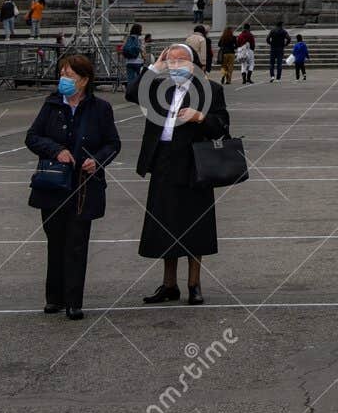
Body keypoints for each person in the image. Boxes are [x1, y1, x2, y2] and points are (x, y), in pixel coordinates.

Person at [128, 41, 230, 306]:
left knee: (195, 227)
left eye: (181, 61)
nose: (175, 66)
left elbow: (221, 127)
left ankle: (194, 284)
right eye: (171, 61)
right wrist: (154, 67)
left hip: (194, 165)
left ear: (194, 64)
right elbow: (131, 93)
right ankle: (169, 284)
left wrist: (200, 118)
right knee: (165, 226)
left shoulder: (210, 90)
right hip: (163, 162)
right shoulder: (159, 87)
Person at [25, 52, 121, 319]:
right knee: (55, 241)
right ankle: (53, 297)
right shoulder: (52, 104)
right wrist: (55, 150)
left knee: (76, 243)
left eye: (69, 75)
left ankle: (73, 301)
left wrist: (97, 161)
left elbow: (113, 144)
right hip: (53, 184)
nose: (63, 79)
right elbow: (32, 138)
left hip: (84, 186)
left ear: (84, 80)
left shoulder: (100, 108)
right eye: (62, 74)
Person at [121, 22, 146, 93]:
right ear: (139, 30)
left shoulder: (127, 38)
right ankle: (139, 92)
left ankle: (130, 92)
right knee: (140, 78)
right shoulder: (139, 39)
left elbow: (123, 48)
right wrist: (144, 58)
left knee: (130, 79)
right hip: (138, 62)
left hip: (129, 62)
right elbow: (142, 50)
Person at [266, 18, 290, 83]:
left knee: (272, 64)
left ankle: (272, 76)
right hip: (280, 49)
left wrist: (270, 43)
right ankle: (278, 78)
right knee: (279, 64)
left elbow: (267, 38)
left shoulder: (272, 31)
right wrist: (285, 44)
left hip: (273, 48)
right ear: (281, 25)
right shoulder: (283, 31)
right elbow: (289, 38)